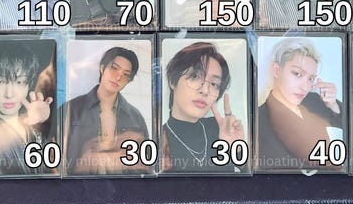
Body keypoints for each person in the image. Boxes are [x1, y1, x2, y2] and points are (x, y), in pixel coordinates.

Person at [0, 42, 54, 176]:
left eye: (19, 82)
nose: (9, 94)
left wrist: (46, 123)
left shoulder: (33, 127)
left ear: (28, 85)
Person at [257, 38, 343, 171]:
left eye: (310, 79)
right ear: (276, 70)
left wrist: (334, 106)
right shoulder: (258, 121)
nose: (305, 87)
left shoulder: (319, 101)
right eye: (297, 74)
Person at [63, 46, 149, 175]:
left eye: (126, 74)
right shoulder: (72, 108)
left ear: (129, 81)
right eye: (114, 68)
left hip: (123, 186)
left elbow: (145, 164)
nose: (118, 77)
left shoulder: (135, 117)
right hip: (79, 184)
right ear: (102, 68)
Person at [162, 42, 244, 173]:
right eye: (195, 76)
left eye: (214, 84)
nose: (205, 90)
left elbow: (259, 180)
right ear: (172, 81)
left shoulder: (219, 128)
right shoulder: (158, 138)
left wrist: (237, 149)